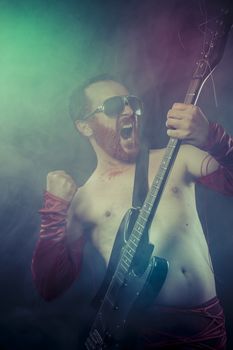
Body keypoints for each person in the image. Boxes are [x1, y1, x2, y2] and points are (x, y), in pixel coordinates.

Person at [32, 74, 233, 349]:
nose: (129, 111)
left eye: (132, 103)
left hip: (208, 326)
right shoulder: (82, 200)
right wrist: (54, 209)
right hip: (145, 335)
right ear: (85, 126)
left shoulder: (178, 156)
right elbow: (49, 286)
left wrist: (212, 137)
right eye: (114, 106)